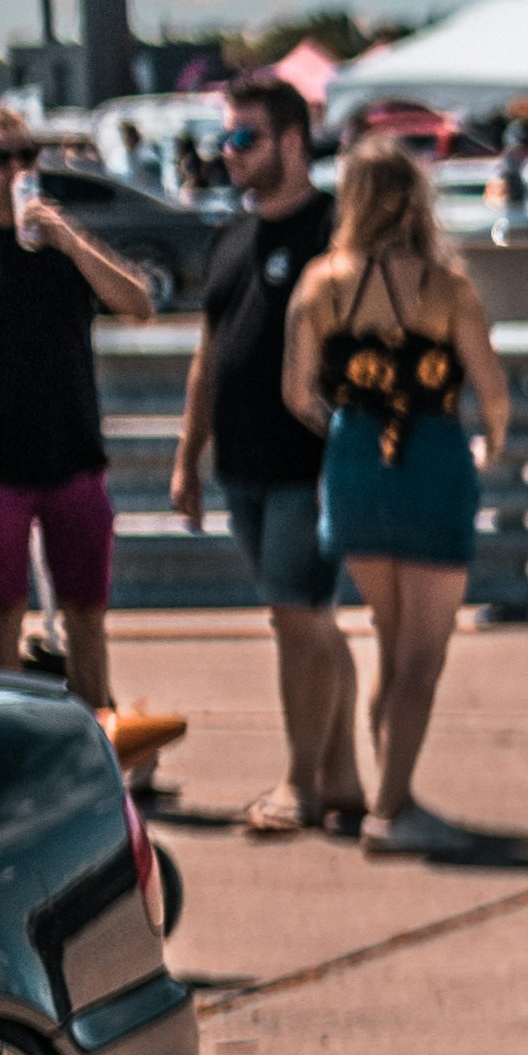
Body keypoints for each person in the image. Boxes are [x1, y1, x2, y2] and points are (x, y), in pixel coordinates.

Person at [281, 138, 508, 859]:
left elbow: (295, 392)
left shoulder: (322, 281)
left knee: (389, 634)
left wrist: (345, 427)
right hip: (431, 456)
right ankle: (393, 806)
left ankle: (393, 791)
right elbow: (492, 392)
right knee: (422, 655)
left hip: (354, 462)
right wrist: (490, 446)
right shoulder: (447, 285)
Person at [167, 73, 365, 834]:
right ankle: (342, 775)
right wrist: (189, 458)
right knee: (307, 620)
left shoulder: (334, 232)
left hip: (310, 465)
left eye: (245, 137)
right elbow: (209, 356)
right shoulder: (229, 236)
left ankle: (300, 783)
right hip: (240, 467)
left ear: (291, 140)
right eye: (226, 138)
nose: (230, 153)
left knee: (295, 616)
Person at [0, 101, 169, 739]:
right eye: (2, 158)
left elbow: (140, 303)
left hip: (72, 453)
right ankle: (20, 755)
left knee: (87, 614)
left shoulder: (62, 245)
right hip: (3, 467)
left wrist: (68, 237)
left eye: (26, 155)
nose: (16, 169)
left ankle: (103, 747)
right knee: (4, 618)